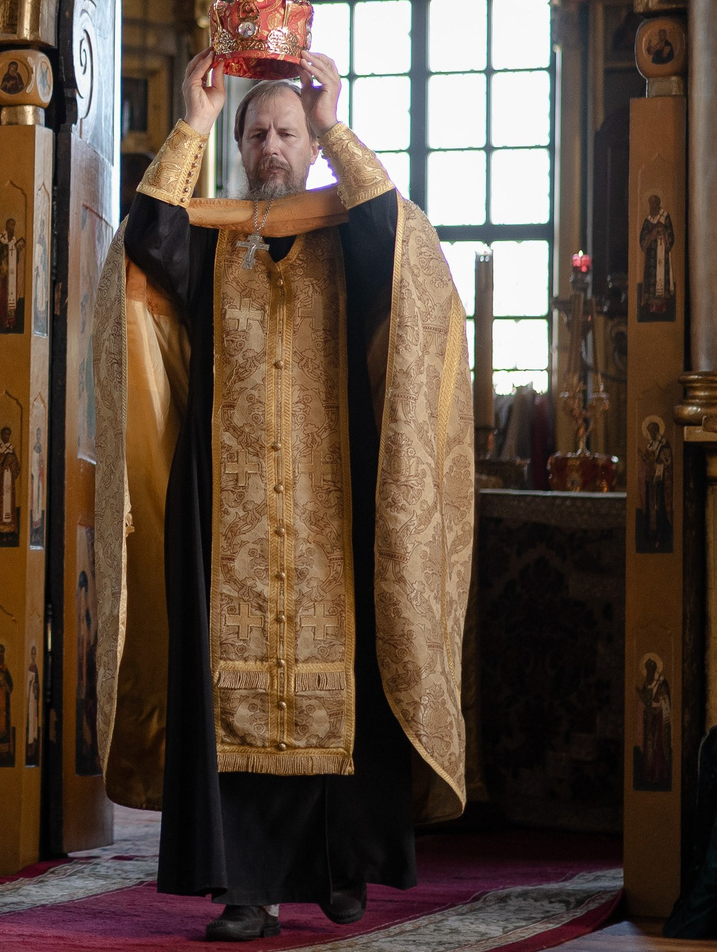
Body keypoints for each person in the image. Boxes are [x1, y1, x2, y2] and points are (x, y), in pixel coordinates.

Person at [95, 45, 473, 941]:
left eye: (288, 130)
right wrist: (190, 119)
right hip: (224, 510)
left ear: (309, 146)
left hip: (336, 507)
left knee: (346, 685)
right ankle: (246, 890)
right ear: (239, 143)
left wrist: (338, 119)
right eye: (256, 129)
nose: (271, 143)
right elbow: (146, 246)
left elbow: (402, 246)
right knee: (225, 690)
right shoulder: (213, 233)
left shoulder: (352, 233)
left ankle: (342, 872)